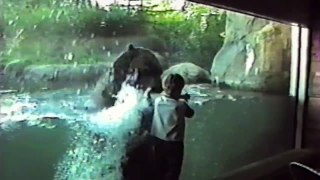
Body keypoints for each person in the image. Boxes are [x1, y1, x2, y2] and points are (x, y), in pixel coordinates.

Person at [150, 73, 194, 180]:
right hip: (174, 145)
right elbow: (191, 113)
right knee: (172, 173)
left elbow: (167, 96)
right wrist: (182, 98)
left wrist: (180, 97)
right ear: (180, 89)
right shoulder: (181, 105)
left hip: (157, 141)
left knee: (158, 170)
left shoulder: (157, 101)